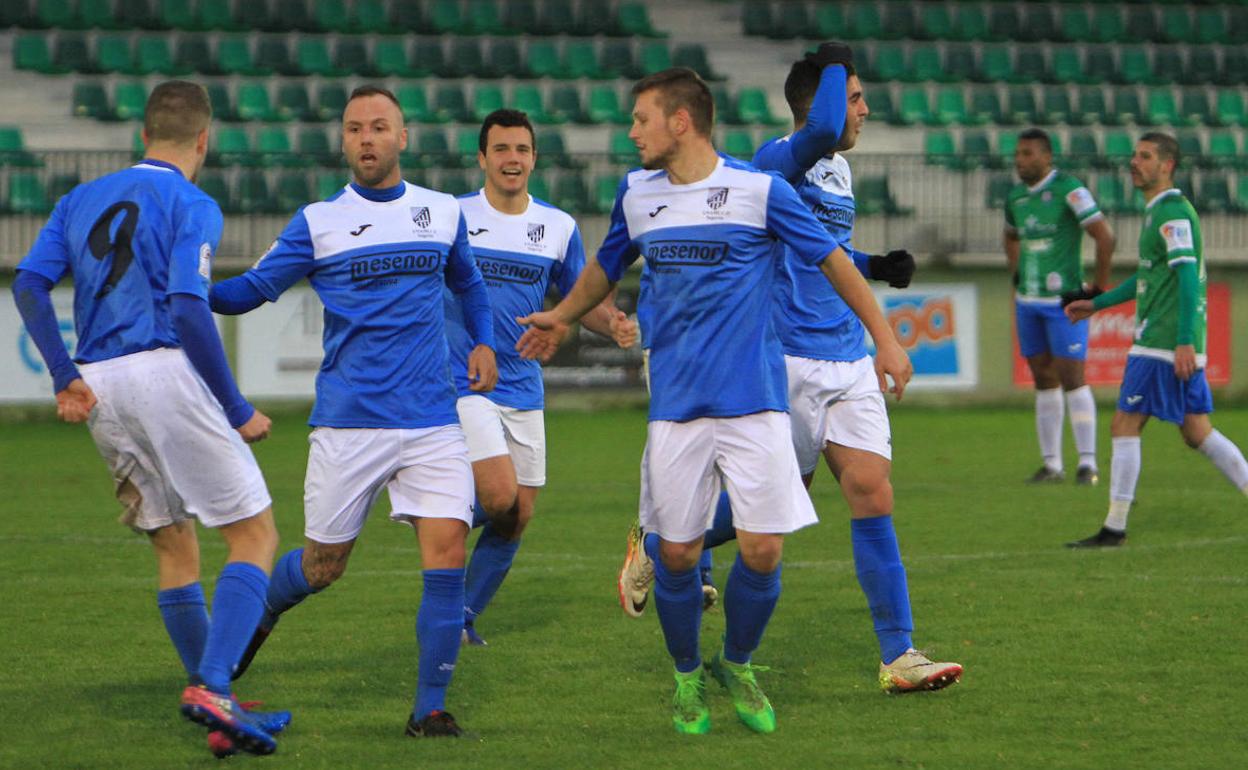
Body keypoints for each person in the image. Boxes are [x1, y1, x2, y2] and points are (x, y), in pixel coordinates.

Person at [519, 67, 913, 735]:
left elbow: (836, 260)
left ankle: (738, 661)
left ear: (680, 121)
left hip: (756, 400)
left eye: (641, 118)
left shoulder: (758, 190)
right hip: (675, 404)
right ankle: (685, 675)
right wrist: (561, 315)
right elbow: (605, 266)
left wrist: (886, 339)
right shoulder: (637, 194)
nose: (631, 131)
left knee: (763, 549)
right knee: (676, 555)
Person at [619, 42, 961, 695]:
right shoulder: (781, 159)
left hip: (847, 358)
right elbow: (826, 127)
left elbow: (819, 249)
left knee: (871, 490)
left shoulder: (837, 176)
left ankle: (899, 653)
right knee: (773, 513)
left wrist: (874, 267)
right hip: (791, 358)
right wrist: (834, 59)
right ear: (820, 102)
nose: (862, 110)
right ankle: (660, 547)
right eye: (855, 96)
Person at [207, 85, 496, 738]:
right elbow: (253, 289)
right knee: (322, 567)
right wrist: (191, 293)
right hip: (350, 422)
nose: (366, 138)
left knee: (448, 552)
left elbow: (469, 283)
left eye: (379, 126)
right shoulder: (319, 222)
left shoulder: (441, 212)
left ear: (403, 137)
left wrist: (481, 340)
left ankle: (429, 710)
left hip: (431, 420)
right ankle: (259, 618)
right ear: (343, 141)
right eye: (354, 129)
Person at [10, 80, 285, 756]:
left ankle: (211, 697)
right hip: (161, 368)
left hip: (100, 383)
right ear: (204, 139)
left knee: (174, 544)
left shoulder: (79, 199)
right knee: (254, 535)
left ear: (142, 136)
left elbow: (28, 284)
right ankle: (215, 682)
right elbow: (189, 306)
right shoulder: (190, 200)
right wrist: (237, 407)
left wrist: (64, 374)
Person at [452, 109, 636, 646]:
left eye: (522, 150)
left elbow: (577, 297)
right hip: (466, 380)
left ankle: (460, 619)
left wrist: (614, 323)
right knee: (499, 493)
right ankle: (434, 518)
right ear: (482, 158)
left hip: (523, 384)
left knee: (518, 513)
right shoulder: (452, 217)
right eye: (502, 149)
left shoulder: (556, 227)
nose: (513, 159)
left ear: (534, 158)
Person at [1064, 133, 1248, 547]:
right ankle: (1114, 526)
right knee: (1196, 432)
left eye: (1145, 156)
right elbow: (1150, 278)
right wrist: (1098, 304)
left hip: (1161, 343)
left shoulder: (1172, 213)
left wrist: (1183, 340)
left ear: (1167, 165)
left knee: (1125, 423)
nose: (1134, 162)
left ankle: (1114, 527)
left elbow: (1186, 277)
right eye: (1133, 155)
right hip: (1168, 340)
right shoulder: (1160, 212)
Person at [1006, 128, 1115, 485]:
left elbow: (1104, 236)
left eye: (1028, 154)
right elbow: (1010, 236)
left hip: (1063, 302)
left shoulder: (1071, 189)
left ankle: (1088, 463)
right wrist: (1016, 274)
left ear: (1047, 156)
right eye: (1018, 155)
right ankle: (1052, 465)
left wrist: (1097, 289)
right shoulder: (1016, 198)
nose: (1021, 161)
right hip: (1028, 302)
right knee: (1042, 377)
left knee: (1073, 376)